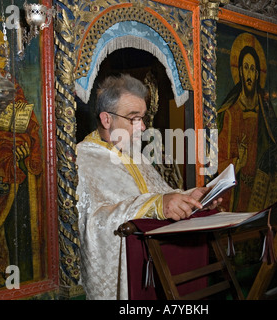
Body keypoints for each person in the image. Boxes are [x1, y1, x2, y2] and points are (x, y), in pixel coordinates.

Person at [76, 73, 220, 300]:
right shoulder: (82, 158)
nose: (143, 127)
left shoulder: (135, 155)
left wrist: (190, 196)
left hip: (156, 263)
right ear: (106, 120)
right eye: (134, 118)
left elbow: (159, 196)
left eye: (142, 118)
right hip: (130, 274)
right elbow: (93, 223)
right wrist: (156, 205)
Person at [217, 43, 277, 212]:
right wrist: (238, 163)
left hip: (261, 190)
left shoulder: (265, 108)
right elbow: (217, 161)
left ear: (256, 74)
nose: (248, 74)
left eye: (252, 69)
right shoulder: (230, 113)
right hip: (238, 192)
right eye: (245, 68)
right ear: (240, 71)